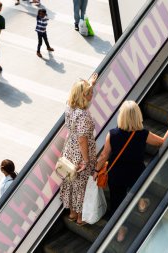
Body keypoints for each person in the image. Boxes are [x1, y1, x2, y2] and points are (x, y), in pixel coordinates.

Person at [94, 101, 168, 242]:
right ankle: (142, 203)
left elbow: (104, 155)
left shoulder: (112, 134)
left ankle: (120, 232)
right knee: (140, 190)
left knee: (116, 202)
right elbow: (162, 142)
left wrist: (96, 170)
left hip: (116, 175)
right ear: (137, 116)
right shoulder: (143, 134)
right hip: (136, 173)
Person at [59, 73, 98, 226]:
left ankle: (72, 213)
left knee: (71, 181)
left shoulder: (69, 105)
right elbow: (83, 140)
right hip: (81, 154)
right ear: (83, 95)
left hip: (70, 149)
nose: (92, 94)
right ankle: (81, 217)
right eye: (89, 93)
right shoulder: (83, 115)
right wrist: (87, 161)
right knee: (82, 184)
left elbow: (80, 91)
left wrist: (91, 83)